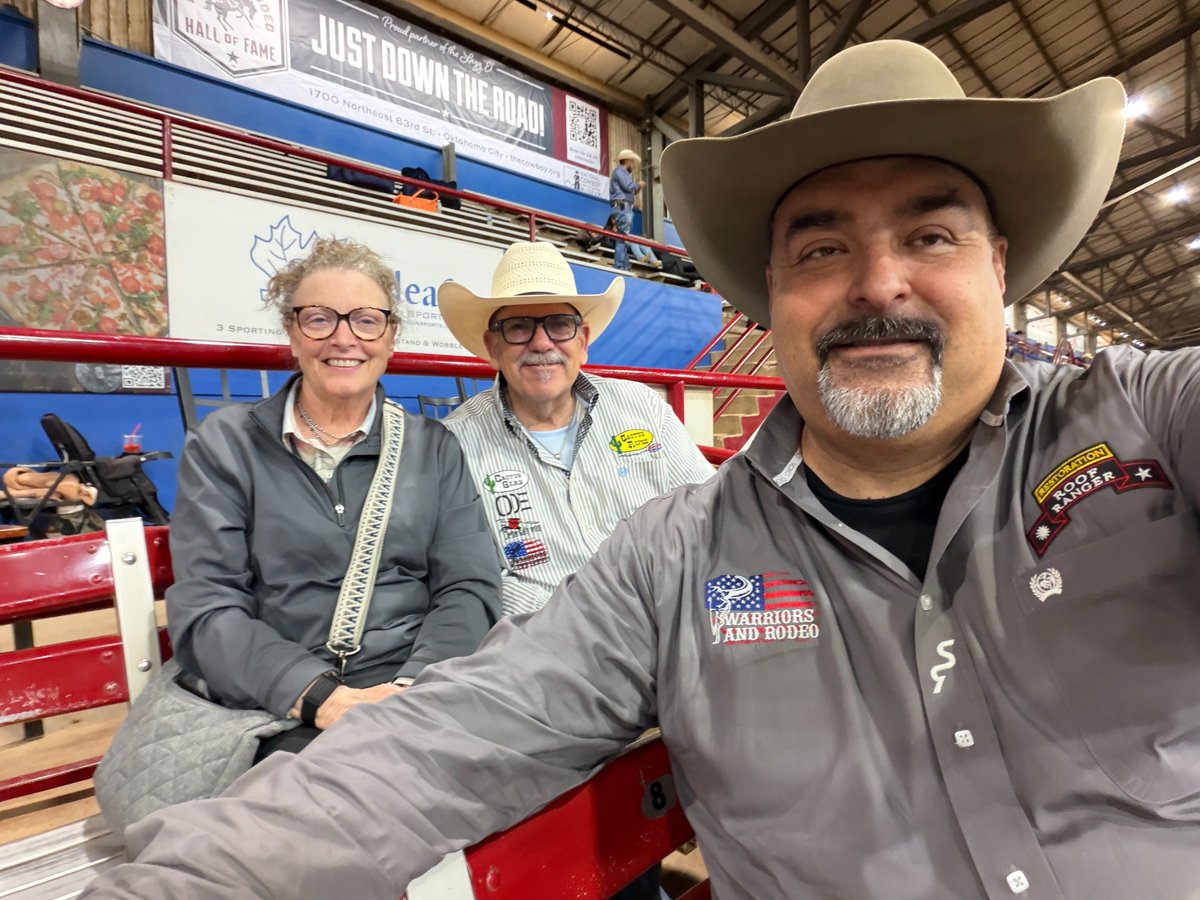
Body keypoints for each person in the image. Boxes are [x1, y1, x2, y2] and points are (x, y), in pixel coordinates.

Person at [83, 41, 1197, 900]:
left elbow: (465, 594)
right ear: (771, 292)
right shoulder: (645, 547)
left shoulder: (1145, 419)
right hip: (492, 687)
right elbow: (444, 728)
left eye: (932, 237)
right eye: (821, 249)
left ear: (1000, 267)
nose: (877, 283)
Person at [162, 236, 500, 757]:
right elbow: (208, 608)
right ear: (292, 335)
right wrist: (318, 696)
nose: (344, 338)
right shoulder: (225, 445)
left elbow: (469, 586)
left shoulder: (432, 447)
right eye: (319, 319)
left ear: (390, 339)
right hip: (282, 701)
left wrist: (413, 688)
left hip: (417, 688)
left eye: (366, 320)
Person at [438, 240, 713, 618]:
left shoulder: (644, 408)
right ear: (493, 346)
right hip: (549, 649)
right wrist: (583, 622)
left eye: (559, 325)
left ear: (582, 341)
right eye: (518, 327)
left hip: (673, 615)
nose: (541, 343)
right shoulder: (454, 445)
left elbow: (708, 513)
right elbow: (474, 580)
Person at [609, 148, 645, 271]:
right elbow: (629, 187)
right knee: (623, 237)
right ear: (628, 161)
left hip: (622, 206)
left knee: (623, 237)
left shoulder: (621, 173)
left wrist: (637, 187)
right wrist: (639, 184)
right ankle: (620, 266)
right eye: (632, 162)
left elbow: (630, 190)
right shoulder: (620, 171)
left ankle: (623, 265)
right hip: (623, 206)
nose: (633, 165)